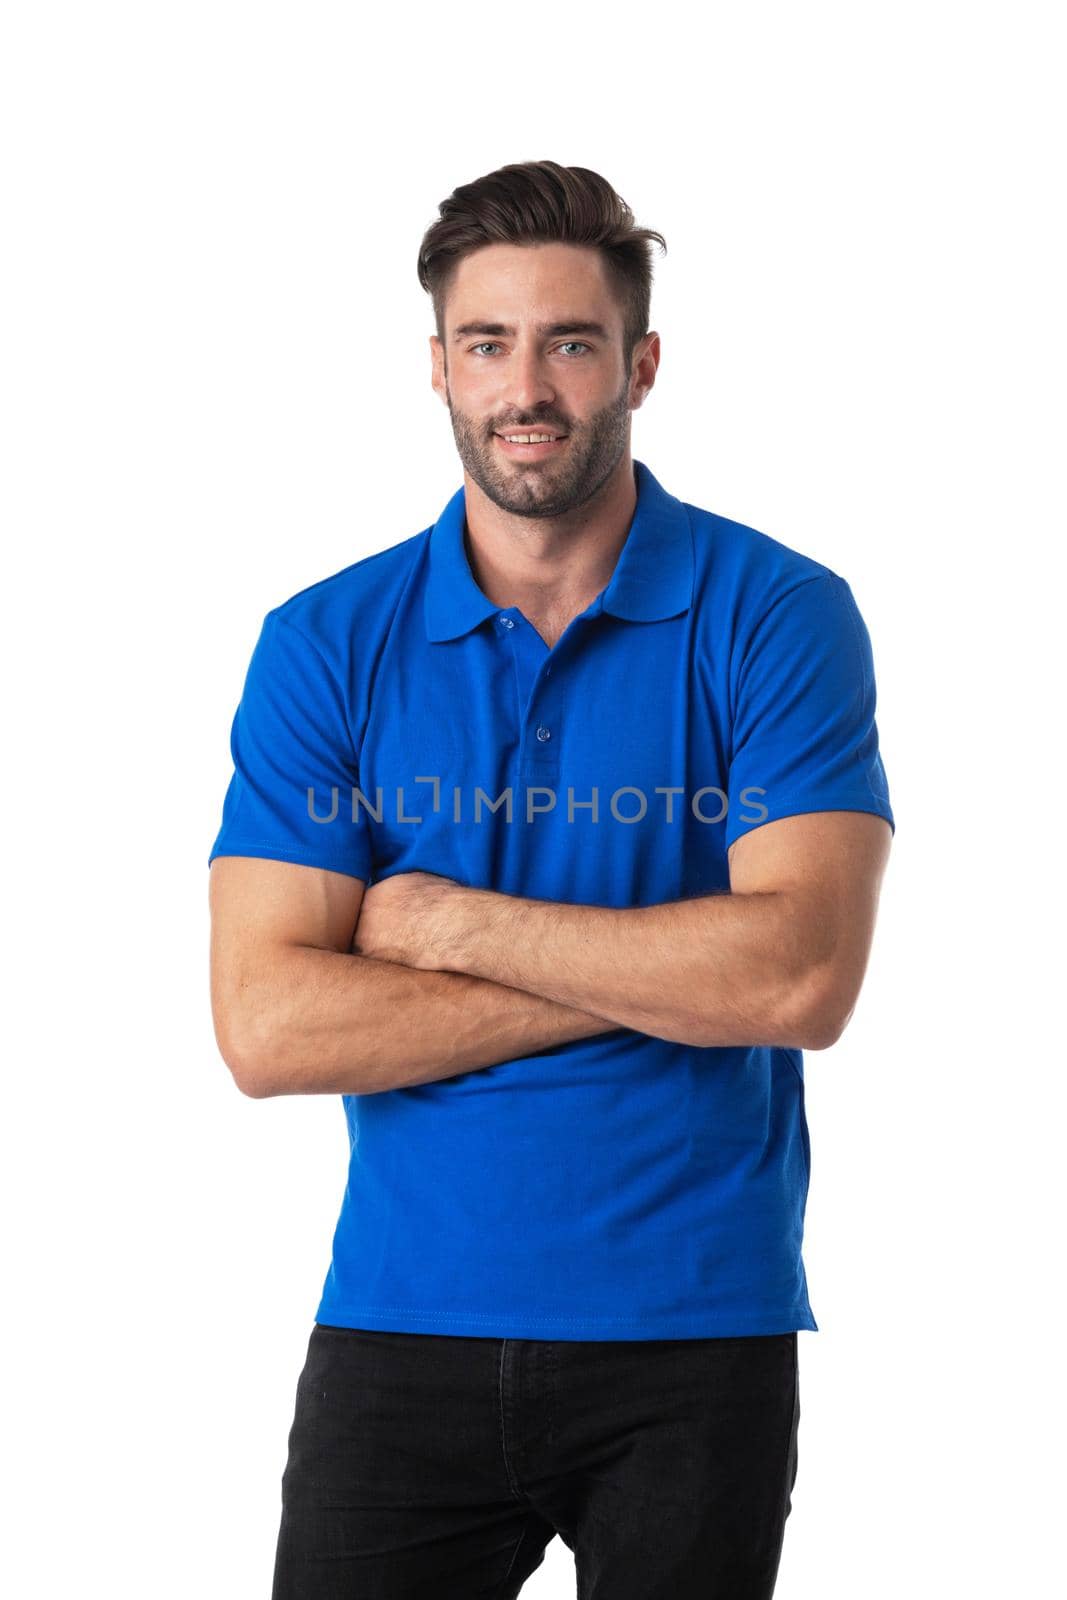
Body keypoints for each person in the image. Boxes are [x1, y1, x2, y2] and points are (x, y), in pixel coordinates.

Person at [208, 159, 895, 1600]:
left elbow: (801, 979)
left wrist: (449, 928)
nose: (528, 386)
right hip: (404, 1320)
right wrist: (669, 976)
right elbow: (269, 1030)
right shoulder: (326, 641)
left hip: (694, 1334)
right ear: (439, 369)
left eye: (572, 343)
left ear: (640, 364)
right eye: (488, 343)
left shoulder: (776, 615)